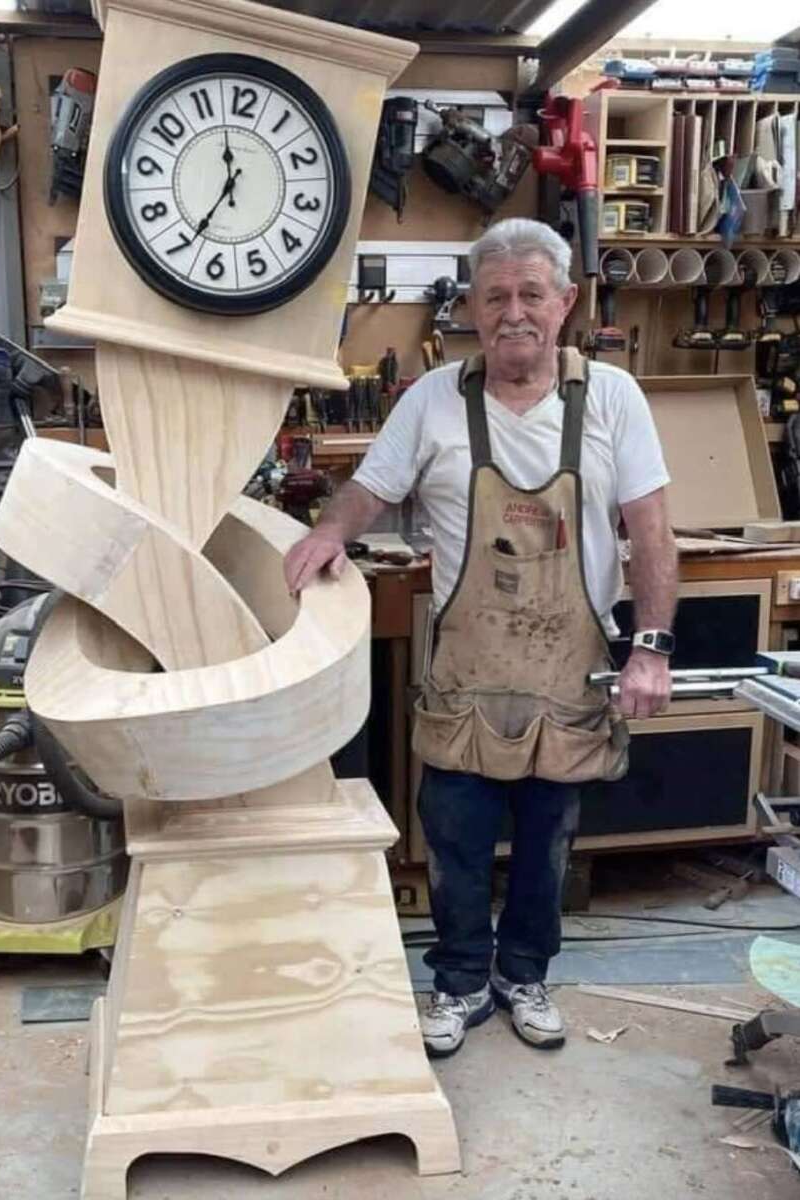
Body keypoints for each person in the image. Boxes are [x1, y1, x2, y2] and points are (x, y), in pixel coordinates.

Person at [284, 217, 677, 1057]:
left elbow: (651, 531)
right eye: (494, 296)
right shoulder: (432, 400)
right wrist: (329, 532)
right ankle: (459, 981)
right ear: (471, 305)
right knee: (454, 839)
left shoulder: (611, 398)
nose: (513, 313)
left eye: (531, 294)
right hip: (467, 674)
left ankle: (524, 974)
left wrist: (651, 644)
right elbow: (370, 489)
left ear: (565, 303)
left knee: (545, 845)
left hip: (568, 674)